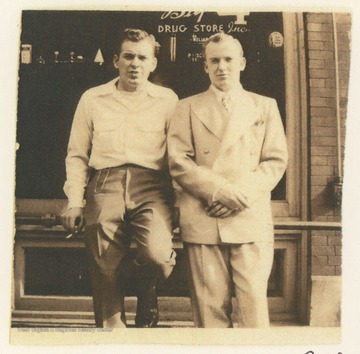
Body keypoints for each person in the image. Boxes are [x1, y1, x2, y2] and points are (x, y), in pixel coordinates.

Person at [167, 32, 288, 328]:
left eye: (228, 60)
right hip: (204, 216)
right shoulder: (187, 107)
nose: (222, 67)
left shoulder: (264, 106)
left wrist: (238, 196)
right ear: (205, 67)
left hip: (249, 215)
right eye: (214, 60)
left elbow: (275, 160)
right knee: (210, 313)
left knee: (253, 310)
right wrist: (218, 192)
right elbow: (178, 161)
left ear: (242, 63)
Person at [62, 28, 178, 328]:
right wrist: (75, 201)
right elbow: (77, 153)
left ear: (153, 63)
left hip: (152, 184)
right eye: (128, 56)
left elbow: (178, 155)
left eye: (142, 57)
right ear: (116, 60)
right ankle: (112, 330)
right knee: (102, 255)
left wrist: (180, 197)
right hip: (105, 182)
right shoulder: (93, 98)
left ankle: (146, 290)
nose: (135, 64)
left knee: (158, 256)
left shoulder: (167, 100)